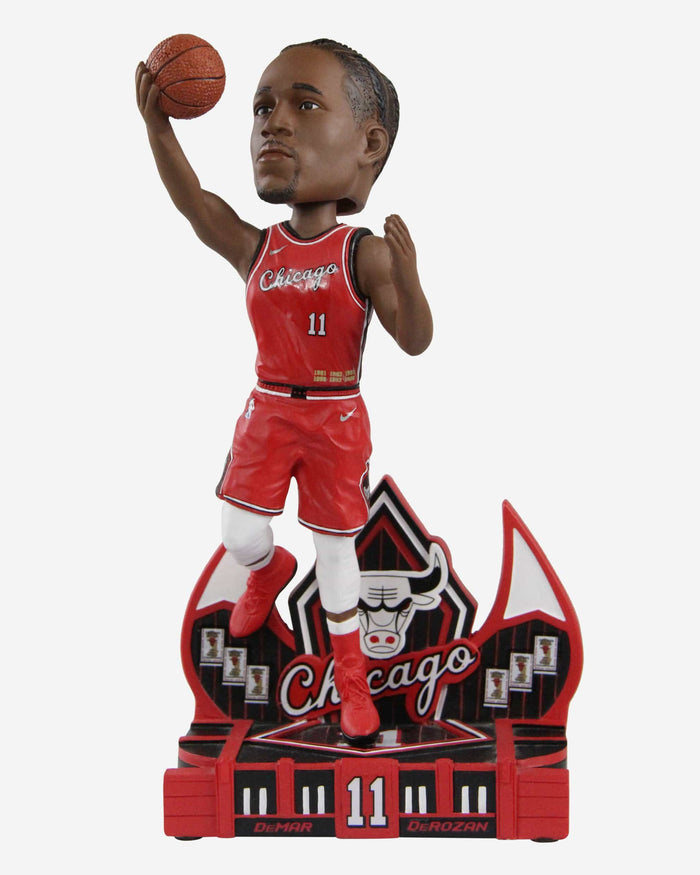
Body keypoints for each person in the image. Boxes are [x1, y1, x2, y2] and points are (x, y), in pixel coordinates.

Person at [136, 38, 432, 744]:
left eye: (304, 105)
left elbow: (415, 339)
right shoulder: (258, 247)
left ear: (367, 146)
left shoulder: (363, 251)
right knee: (239, 532)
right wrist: (159, 129)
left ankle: (353, 683)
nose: (273, 122)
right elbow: (195, 205)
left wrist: (411, 279)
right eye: (262, 107)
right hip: (268, 407)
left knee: (338, 554)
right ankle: (268, 570)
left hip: (335, 414)